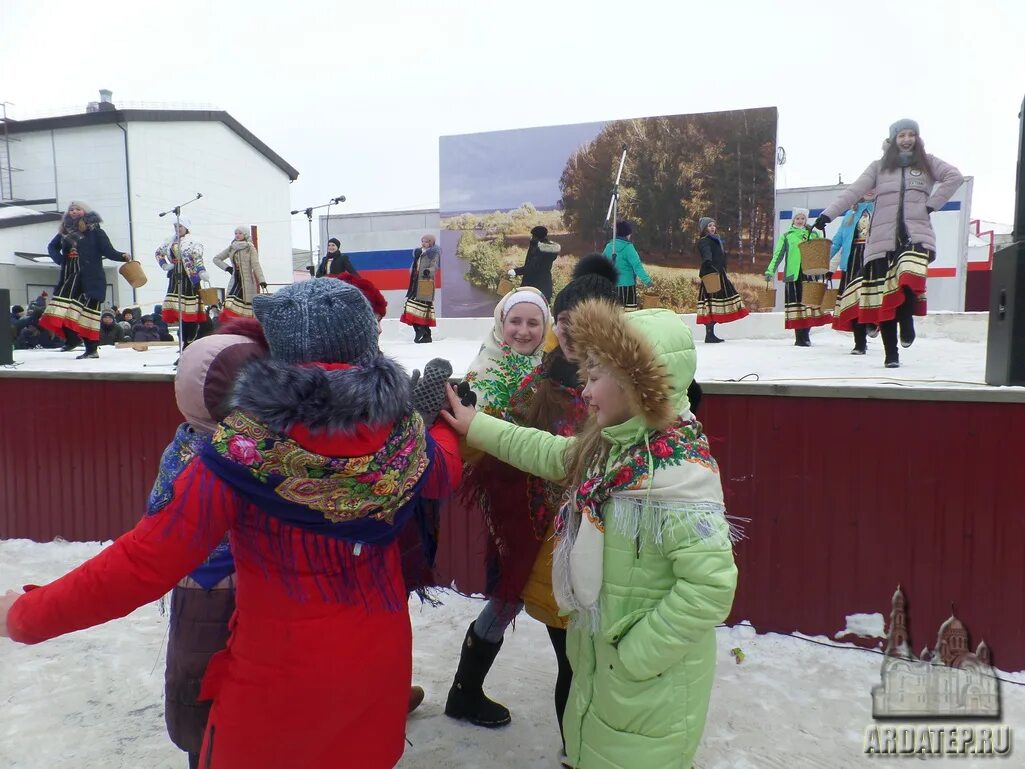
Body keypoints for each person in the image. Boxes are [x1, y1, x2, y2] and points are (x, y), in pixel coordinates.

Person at [0, 278, 463, 769]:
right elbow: (443, 474)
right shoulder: (406, 436)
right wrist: (438, 425)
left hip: (276, 688)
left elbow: (143, 562)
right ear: (367, 346)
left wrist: (24, 615)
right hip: (377, 672)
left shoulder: (240, 451)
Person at [440, 299, 739, 769]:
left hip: (646, 687)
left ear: (636, 384)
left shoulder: (676, 476)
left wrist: (633, 658)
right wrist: (476, 425)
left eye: (596, 377)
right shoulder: (618, 449)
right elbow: (551, 453)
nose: (586, 392)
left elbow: (710, 587)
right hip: (604, 670)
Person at [506, 255, 619, 761]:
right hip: (560, 546)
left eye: (584, 329)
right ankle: (575, 751)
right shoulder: (543, 384)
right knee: (571, 663)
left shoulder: (642, 388)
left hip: (622, 554)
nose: (571, 341)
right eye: (565, 329)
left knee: (610, 666)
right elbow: (511, 439)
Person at [157, 323, 268, 769]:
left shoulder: (181, 443)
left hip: (196, 589)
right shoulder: (236, 456)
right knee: (206, 683)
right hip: (221, 588)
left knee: (201, 679)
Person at [444, 286, 551, 729]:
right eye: (515, 321)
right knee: (515, 588)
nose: (523, 331)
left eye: (533, 323)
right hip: (509, 494)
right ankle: (465, 691)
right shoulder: (484, 370)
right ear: (499, 323)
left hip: (549, 491)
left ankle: (465, 692)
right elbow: (472, 436)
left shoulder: (550, 368)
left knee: (535, 587)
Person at [816, 120, 963, 368]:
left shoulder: (927, 162)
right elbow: (852, 191)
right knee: (883, 299)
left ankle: (907, 321)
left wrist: (931, 204)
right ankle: (890, 354)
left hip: (916, 235)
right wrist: (827, 215)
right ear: (893, 139)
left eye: (911, 134)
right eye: (901, 135)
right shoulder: (879, 167)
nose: (907, 139)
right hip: (881, 240)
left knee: (908, 274)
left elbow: (954, 177)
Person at [39, 201, 133, 359]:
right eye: (71, 210)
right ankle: (72, 339)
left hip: (90, 277)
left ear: (85, 212)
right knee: (60, 309)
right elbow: (52, 247)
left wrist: (122, 256)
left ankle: (91, 350)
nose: (74, 212)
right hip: (70, 277)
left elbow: (108, 251)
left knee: (88, 315)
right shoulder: (65, 231)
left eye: (77, 209)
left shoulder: (95, 231)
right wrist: (61, 260)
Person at [765, 208, 830, 346]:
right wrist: (770, 271)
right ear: (793, 220)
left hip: (809, 273)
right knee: (796, 307)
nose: (800, 221)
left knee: (809, 304)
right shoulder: (787, 235)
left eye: (802, 218)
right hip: (793, 274)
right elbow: (778, 255)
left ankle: (805, 335)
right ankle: (799, 337)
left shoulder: (813, 234)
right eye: (797, 218)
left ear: (806, 220)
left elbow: (820, 252)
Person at [827, 192, 877, 354]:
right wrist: (824, 262)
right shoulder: (850, 213)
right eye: (866, 187)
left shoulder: (882, 211)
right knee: (854, 302)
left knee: (872, 298)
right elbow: (838, 240)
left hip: (874, 260)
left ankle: (873, 323)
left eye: (873, 187)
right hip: (853, 260)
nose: (869, 190)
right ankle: (860, 343)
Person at [157, 217, 210, 347]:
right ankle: (183, 342)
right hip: (175, 276)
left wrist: (201, 271)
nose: (177, 229)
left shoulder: (193, 242)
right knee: (178, 310)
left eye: (180, 227)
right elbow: (158, 252)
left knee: (189, 311)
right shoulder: (170, 240)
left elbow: (197, 258)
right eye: (175, 227)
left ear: (186, 228)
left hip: (190, 277)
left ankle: (189, 341)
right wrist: (164, 264)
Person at [696, 217, 750, 343]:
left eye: (713, 225)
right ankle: (709, 334)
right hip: (711, 275)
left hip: (718, 273)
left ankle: (711, 334)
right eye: (709, 226)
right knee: (711, 303)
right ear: (704, 228)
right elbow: (706, 254)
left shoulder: (716, 240)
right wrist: (708, 262)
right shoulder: (704, 241)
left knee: (716, 302)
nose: (712, 228)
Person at [213, 226, 266, 321]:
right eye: (236, 233)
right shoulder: (231, 247)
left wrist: (262, 280)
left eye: (240, 233)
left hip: (247, 282)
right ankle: (231, 324)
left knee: (244, 307)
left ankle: (241, 325)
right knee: (229, 303)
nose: (237, 235)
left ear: (245, 234)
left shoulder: (249, 248)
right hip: (235, 280)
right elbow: (216, 259)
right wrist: (227, 268)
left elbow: (256, 265)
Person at [602, 221, 652, 311]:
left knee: (615, 314)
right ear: (627, 234)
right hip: (628, 287)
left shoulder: (609, 247)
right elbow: (637, 266)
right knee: (630, 315)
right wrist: (647, 281)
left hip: (612, 286)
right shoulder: (629, 248)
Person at [400, 234, 441, 343]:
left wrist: (428, 271)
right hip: (415, 283)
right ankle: (423, 332)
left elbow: (435, 266)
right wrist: (412, 272)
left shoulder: (434, 253)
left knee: (423, 309)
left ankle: (424, 332)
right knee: (410, 306)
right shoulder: (418, 252)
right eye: (422, 241)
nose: (423, 243)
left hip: (426, 283)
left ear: (431, 242)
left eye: (426, 241)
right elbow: (414, 266)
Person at [508, 225, 561, 301]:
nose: (531, 238)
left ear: (536, 236)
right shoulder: (550, 248)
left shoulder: (538, 248)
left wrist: (515, 271)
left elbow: (533, 267)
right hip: (546, 287)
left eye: (533, 236)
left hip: (533, 288)